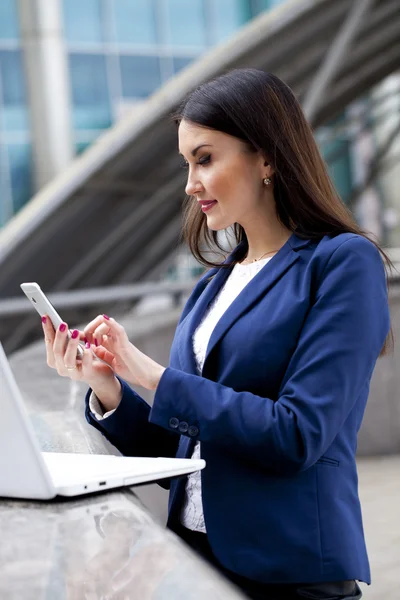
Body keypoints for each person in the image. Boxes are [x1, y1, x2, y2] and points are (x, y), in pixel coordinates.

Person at [41, 69, 391, 600]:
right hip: (194, 563)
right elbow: (186, 446)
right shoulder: (211, 288)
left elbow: (297, 435)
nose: (190, 184)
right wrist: (110, 386)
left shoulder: (342, 263)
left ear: (267, 157)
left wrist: (150, 372)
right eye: (187, 164)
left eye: (205, 159)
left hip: (289, 573)